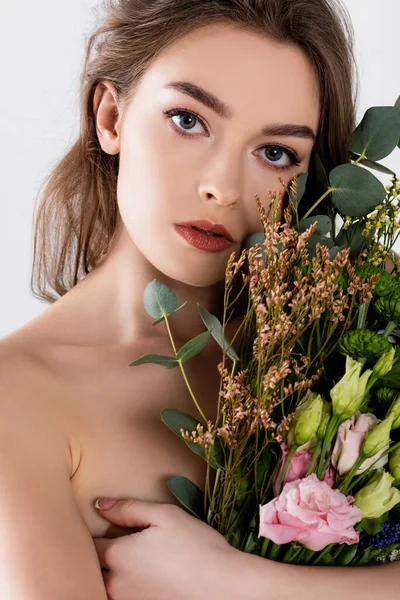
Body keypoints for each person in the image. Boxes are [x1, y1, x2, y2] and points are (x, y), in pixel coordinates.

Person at [1, 0, 398, 598]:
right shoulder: (18, 397)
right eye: (189, 120)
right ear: (111, 117)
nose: (222, 187)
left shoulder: (359, 332)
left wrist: (233, 581)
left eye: (275, 153)